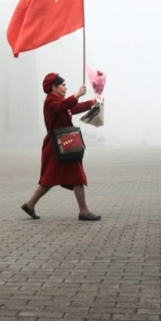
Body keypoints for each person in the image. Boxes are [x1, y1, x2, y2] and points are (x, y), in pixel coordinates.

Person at [21, 73, 101, 221]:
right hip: (58, 144)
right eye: (63, 85)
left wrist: (92, 102)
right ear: (54, 87)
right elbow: (64, 106)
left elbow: (73, 108)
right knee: (76, 176)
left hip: (60, 144)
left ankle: (30, 204)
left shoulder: (59, 101)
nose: (66, 88)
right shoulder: (51, 102)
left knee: (49, 179)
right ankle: (83, 211)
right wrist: (77, 94)